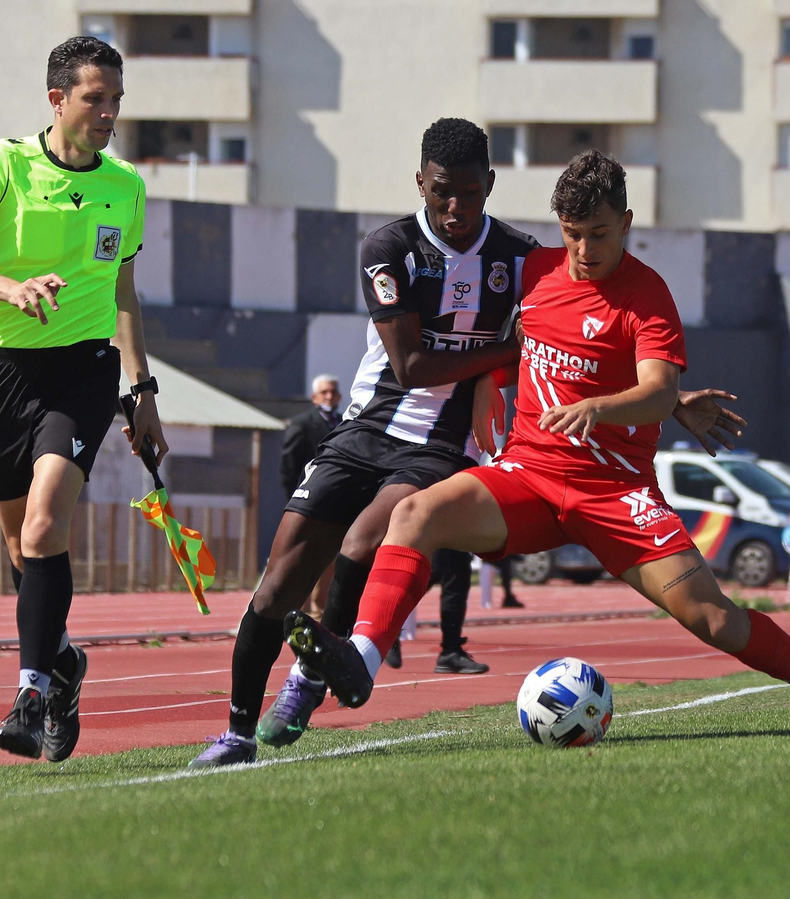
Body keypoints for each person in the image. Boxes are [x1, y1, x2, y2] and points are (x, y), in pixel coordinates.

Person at [280, 151, 790, 738]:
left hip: (615, 493)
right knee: (415, 513)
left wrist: (607, 407)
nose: (584, 250)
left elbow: (656, 391)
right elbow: (490, 336)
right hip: (527, 475)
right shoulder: (534, 270)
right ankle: (361, 659)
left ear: (626, 223)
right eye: (572, 233)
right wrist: (491, 379)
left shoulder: (647, 294)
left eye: (599, 234)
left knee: (712, 617)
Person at [189, 122, 746, 769]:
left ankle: (308, 681)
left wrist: (670, 399)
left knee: (364, 541)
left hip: (441, 445)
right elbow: (411, 367)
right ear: (420, 184)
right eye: (441, 192)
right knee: (277, 583)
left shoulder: (520, 258)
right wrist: (507, 352)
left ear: (491, 185)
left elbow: (583, 343)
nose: (456, 207)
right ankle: (235, 733)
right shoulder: (389, 247)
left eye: (471, 193)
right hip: (365, 428)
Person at [0, 36, 166, 762]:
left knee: (44, 524)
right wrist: (11, 288)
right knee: (24, 552)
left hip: (82, 373)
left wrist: (141, 389)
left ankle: (29, 695)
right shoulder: (3, 164)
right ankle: (63, 665)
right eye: (95, 98)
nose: (109, 113)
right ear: (57, 99)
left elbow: (124, 292)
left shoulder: (126, 185)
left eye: (116, 100)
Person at [280, 374, 343, 618]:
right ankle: (299, 611)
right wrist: (295, 499)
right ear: (314, 397)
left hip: (338, 504)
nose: (329, 397)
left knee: (331, 559)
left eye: (333, 392)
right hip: (308, 501)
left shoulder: (346, 422)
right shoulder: (302, 423)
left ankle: (320, 613)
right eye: (324, 392)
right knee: (302, 557)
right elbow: (288, 465)